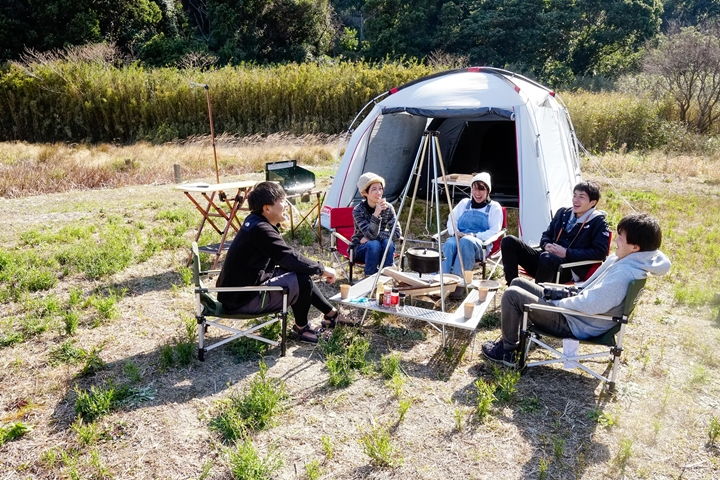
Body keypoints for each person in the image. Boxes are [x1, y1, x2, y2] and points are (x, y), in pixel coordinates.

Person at [482, 213, 671, 367]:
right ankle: (510, 341)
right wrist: (562, 292)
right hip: (577, 313)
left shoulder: (624, 274)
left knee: (512, 295)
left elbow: (590, 304)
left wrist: (557, 302)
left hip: (576, 322)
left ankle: (507, 351)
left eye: (621, 238)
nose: (616, 241)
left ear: (635, 247)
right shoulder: (631, 261)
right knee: (517, 282)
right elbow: (587, 295)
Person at [216, 181, 353, 343]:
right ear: (267, 209)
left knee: (300, 272)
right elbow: (289, 258)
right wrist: (322, 269)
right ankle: (302, 328)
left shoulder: (255, 221)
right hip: (243, 299)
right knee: (300, 279)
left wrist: (313, 268)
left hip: (236, 293)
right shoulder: (261, 229)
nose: (286, 205)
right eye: (282, 201)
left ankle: (332, 315)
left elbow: (288, 258)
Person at [501, 181, 610, 284]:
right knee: (509, 241)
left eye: (581, 197)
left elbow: (600, 253)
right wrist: (546, 244)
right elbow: (546, 235)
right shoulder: (563, 213)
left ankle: (537, 296)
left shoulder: (598, 221)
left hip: (569, 267)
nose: (575, 200)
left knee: (547, 258)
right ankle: (513, 287)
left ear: (593, 202)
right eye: (574, 195)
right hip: (545, 259)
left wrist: (567, 253)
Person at [441, 172, 503, 276]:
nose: (477, 193)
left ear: (488, 190)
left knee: (467, 241)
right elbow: (451, 219)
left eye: (481, 189)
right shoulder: (464, 203)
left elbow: (494, 231)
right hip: (459, 238)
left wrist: (474, 236)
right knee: (449, 244)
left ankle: (459, 281)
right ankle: (440, 280)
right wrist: (455, 232)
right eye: (475, 189)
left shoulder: (494, 207)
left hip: (480, 244)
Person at [350, 172, 402, 276]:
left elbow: (396, 233)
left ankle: (387, 276)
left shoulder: (388, 208)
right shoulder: (358, 210)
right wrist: (376, 214)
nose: (379, 192)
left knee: (388, 243)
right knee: (374, 244)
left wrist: (376, 237)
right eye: (374, 189)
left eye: (380, 188)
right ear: (365, 192)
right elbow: (370, 235)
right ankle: (370, 276)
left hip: (379, 245)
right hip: (360, 248)